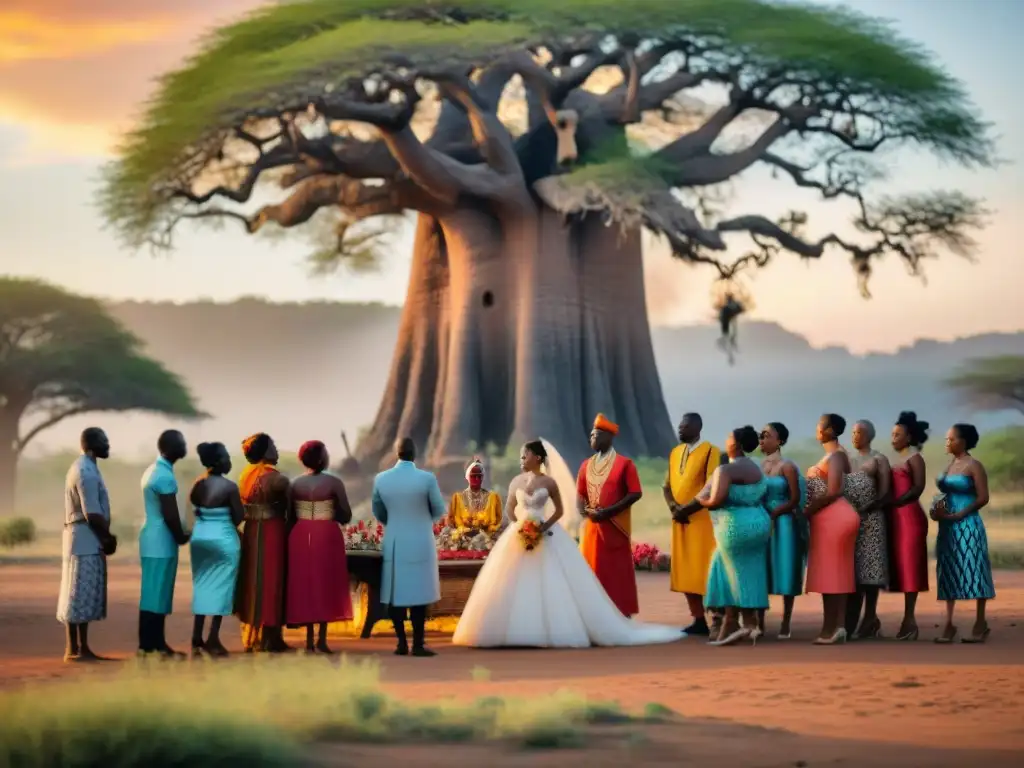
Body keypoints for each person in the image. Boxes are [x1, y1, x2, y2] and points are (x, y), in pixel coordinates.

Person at [452, 439, 684, 648]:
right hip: (520, 535)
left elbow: (561, 511)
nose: (522, 460)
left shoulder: (550, 483)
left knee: (551, 580)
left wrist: (543, 527)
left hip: (546, 533)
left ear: (538, 458)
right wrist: (519, 527)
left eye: (526, 456)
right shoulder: (516, 482)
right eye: (521, 456)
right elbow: (510, 510)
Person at [371, 437, 447, 657]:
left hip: (395, 538)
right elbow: (438, 509)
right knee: (419, 594)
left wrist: (394, 521)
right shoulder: (427, 479)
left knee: (397, 593)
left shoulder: (381, 479)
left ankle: (401, 643)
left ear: (397, 453)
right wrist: (422, 519)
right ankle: (419, 644)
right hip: (421, 539)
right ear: (415, 453)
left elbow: (378, 511)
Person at [695, 426, 770, 646]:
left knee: (730, 573)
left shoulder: (725, 470)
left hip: (734, 525)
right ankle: (742, 621)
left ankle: (736, 622)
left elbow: (716, 499)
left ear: (735, 445)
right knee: (735, 568)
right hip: (759, 523)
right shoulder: (756, 469)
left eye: (729, 437)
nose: (726, 440)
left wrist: (703, 502)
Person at [286, 440, 353, 653]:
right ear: (323, 459)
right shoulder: (334, 483)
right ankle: (321, 640)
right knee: (325, 582)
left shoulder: (294, 484)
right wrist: (329, 511)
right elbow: (346, 514)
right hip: (326, 533)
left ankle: (307, 641)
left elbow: (290, 516)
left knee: (305, 583)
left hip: (300, 534)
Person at [57, 427, 116, 663]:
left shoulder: (87, 468)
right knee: (77, 592)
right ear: (91, 445)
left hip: (85, 536)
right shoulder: (85, 472)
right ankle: (73, 648)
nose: (108, 444)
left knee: (83, 592)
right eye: (104, 441)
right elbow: (92, 512)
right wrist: (107, 537)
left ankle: (82, 647)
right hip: (84, 536)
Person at [933, 423, 995, 644]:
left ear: (964, 441)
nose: (947, 442)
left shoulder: (974, 465)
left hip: (968, 525)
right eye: (946, 439)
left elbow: (983, 497)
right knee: (948, 570)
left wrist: (960, 514)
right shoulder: (950, 466)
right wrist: (937, 512)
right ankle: (949, 624)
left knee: (975, 567)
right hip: (947, 527)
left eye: (951, 439)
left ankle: (980, 622)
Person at [576, 413, 643, 617]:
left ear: (608, 437)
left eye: (595, 435)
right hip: (592, 528)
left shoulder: (625, 464)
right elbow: (580, 496)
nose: (591, 439)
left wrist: (609, 511)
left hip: (615, 527)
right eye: (591, 435)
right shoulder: (586, 465)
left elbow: (635, 493)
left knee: (615, 573)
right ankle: (594, 615)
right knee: (592, 571)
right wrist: (588, 512)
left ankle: (621, 614)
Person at [663, 413, 723, 636]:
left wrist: (686, 509)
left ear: (698, 427)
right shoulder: (675, 452)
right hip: (680, 521)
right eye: (679, 425)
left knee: (704, 570)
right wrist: (673, 508)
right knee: (685, 571)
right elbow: (666, 485)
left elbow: (711, 484)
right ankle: (698, 619)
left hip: (701, 520)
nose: (680, 429)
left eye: (685, 425)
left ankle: (717, 617)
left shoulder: (710, 451)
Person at [804, 414, 860, 645]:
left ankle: (834, 626)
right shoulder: (831, 455)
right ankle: (836, 626)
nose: (817, 430)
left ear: (830, 429)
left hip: (834, 516)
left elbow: (834, 490)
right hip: (828, 517)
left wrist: (808, 510)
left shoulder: (836, 456)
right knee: (834, 572)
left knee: (833, 573)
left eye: (820, 426)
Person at [236, 432, 291, 653]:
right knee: (272, 580)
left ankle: (254, 633)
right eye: (273, 445)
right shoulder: (278, 479)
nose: (276, 449)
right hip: (273, 531)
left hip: (251, 530)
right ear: (266, 451)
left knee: (254, 580)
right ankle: (271, 636)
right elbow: (291, 510)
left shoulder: (244, 475)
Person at [137, 429, 189, 657]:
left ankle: (150, 644)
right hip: (161, 539)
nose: (184, 447)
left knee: (151, 592)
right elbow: (170, 513)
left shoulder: (152, 470)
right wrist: (181, 535)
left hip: (151, 536)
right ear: (169, 448)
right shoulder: (164, 476)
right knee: (158, 593)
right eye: (181, 443)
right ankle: (153, 645)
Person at [189, 441, 244, 656]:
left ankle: (196, 637)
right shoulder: (229, 487)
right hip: (223, 537)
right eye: (226, 457)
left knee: (202, 586)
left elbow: (194, 509)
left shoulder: (198, 484)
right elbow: (239, 517)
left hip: (201, 536)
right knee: (221, 588)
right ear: (219, 461)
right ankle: (213, 638)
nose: (229, 461)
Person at [758, 422, 807, 639]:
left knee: (786, 568)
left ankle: (786, 621)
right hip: (763, 521)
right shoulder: (758, 466)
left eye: (767, 436)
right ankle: (759, 621)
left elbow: (795, 498)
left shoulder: (788, 466)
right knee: (761, 570)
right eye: (761, 436)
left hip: (784, 522)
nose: (762, 439)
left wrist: (776, 513)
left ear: (780, 441)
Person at [845, 420, 891, 639]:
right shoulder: (845, 459)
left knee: (870, 570)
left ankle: (870, 617)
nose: (855, 436)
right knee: (851, 570)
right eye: (853, 432)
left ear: (870, 435)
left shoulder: (878, 459)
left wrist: (866, 508)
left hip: (871, 520)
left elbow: (885, 493)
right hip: (848, 521)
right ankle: (849, 618)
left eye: (860, 432)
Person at [889, 411, 931, 641]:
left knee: (911, 566)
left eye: (898, 435)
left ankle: (910, 619)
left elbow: (918, 488)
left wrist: (896, 502)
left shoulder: (914, 458)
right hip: (895, 516)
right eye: (892, 434)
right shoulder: (897, 459)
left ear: (909, 437)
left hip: (910, 517)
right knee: (900, 567)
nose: (893, 438)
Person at [447, 458, 503, 533]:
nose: (476, 479)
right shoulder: (457, 499)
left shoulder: (493, 498)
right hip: (462, 540)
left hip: (488, 539)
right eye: (473, 476)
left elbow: (498, 521)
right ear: (467, 476)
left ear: (482, 477)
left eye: (479, 476)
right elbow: (451, 523)